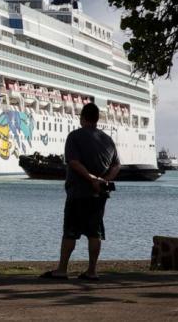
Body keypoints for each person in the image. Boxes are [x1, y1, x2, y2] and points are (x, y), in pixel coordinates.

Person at [40, 103, 120, 281]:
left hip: (78, 192)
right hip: (99, 195)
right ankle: (92, 271)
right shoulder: (108, 139)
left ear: (82, 117)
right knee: (95, 232)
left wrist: (91, 179)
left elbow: (74, 163)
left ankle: (62, 270)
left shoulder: (74, 136)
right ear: (97, 119)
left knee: (70, 231)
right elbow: (116, 165)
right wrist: (104, 180)